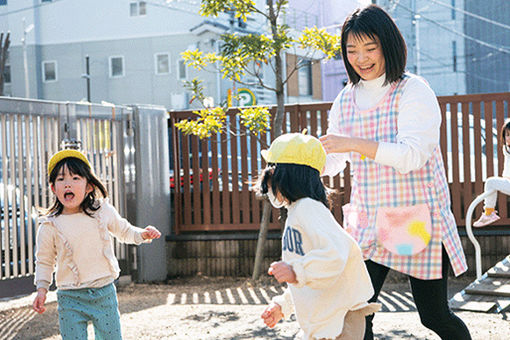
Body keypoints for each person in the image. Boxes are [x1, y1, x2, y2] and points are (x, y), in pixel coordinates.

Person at [319, 5, 472, 340]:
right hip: (368, 219)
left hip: (412, 218)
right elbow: (336, 160)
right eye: (352, 50)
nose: (361, 58)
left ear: (388, 45)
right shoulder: (345, 99)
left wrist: (353, 143)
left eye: (370, 48)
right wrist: (309, 156)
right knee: (357, 312)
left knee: (433, 317)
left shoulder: (413, 90)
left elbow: (412, 156)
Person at [258, 133, 380, 340]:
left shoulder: (308, 209)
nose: (269, 187)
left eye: (271, 178)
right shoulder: (299, 211)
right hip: (326, 318)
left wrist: (295, 270)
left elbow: (335, 254)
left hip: (338, 320)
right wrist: (283, 305)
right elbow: (306, 279)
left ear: (288, 177)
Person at [32, 149, 161, 340]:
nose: (68, 183)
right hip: (69, 298)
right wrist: (41, 290)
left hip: (103, 293)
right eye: (61, 179)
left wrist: (142, 234)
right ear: (53, 188)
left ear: (89, 186)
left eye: (75, 178)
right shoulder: (50, 224)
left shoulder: (102, 211)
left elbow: (124, 231)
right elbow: (44, 261)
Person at [473, 119, 510, 227]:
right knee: (491, 184)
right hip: (508, 181)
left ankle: (488, 213)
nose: (509, 138)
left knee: (490, 182)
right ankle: (489, 212)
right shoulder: (506, 148)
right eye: (507, 135)